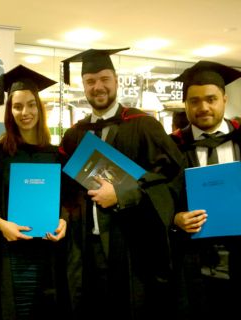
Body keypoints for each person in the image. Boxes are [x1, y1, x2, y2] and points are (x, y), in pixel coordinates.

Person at [60, 48, 185, 320]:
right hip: (86, 248)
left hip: (130, 247)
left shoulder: (143, 126)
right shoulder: (74, 135)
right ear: (83, 86)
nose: (98, 87)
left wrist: (123, 193)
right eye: (90, 81)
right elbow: (64, 189)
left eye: (104, 78)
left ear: (116, 80)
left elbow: (171, 177)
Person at [0, 65, 68, 320]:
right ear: (10, 111)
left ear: (40, 108)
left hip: (47, 254)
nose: (25, 112)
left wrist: (63, 220)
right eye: (17, 106)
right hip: (8, 254)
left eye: (31, 105)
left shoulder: (56, 155)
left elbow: (66, 202)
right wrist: (2, 224)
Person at [170, 60, 241, 319]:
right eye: (194, 101)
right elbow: (156, 197)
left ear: (224, 98)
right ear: (186, 104)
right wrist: (175, 218)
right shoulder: (171, 147)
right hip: (191, 261)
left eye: (211, 99)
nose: (203, 108)